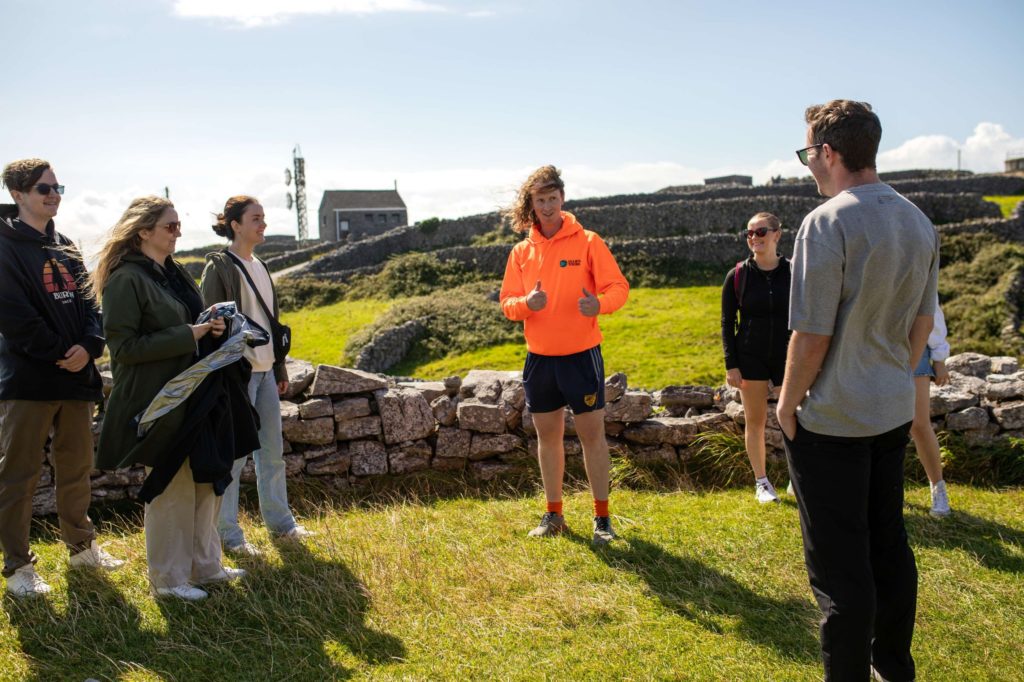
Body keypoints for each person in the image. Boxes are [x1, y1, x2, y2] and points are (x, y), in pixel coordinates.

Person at [777, 100, 939, 681]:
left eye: (808, 154)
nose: (808, 166)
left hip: (834, 418)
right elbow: (922, 327)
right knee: (889, 545)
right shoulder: (917, 221)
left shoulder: (827, 222)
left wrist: (787, 404)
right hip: (891, 408)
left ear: (829, 152)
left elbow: (811, 334)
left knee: (839, 569)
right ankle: (893, 667)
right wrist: (894, 374)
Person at [94, 196, 245, 601]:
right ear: (144, 231)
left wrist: (209, 327)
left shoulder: (171, 272)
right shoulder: (125, 278)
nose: (178, 232)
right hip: (159, 398)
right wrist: (189, 335)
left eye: (179, 225)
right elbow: (123, 348)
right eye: (170, 226)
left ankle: (206, 565)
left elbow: (187, 322)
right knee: (171, 487)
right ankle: (168, 579)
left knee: (204, 478)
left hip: (195, 390)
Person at [0, 158, 124, 597]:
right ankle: (18, 568)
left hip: (75, 380)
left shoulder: (65, 243)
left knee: (76, 468)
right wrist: (60, 353)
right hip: (29, 382)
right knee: (19, 476)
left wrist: (90, 346)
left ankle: (82, 547)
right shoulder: (4, 245)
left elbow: (92, 304)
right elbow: (14, 316)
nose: (53, 195)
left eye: (57, 188)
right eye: (43, 189)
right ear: (18, 194)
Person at [499, 165, 629, 545]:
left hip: (581, 356)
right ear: (532, 204)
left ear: (562, 199)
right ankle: (554, 514)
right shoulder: (521, 252)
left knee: (592, 437)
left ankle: (602, 519)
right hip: (539, 359)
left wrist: (599, 305)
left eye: (553, 198)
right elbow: (507, 304)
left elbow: (618, 287)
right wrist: (528, 303)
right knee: (548, 438)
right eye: (540, 200)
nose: (548, 206)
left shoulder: (588, 241)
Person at [200, 195, 312, 556]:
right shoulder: (220, 267)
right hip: (238, 375)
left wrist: (278, 367)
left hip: (266, 373)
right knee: (233, 456)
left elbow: (271, 321)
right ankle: (229, 535)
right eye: (255, 219)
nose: (263, 224)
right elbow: (210, 323)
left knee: (272, 454)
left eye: (263, 218)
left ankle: (282, 526)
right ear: (235, 225)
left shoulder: (261, 265)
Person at [721, 211, 791, 504]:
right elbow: (727, 322)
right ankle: (762, 483)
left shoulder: (795, 271)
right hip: (750, 357)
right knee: (756, 421)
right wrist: (731, 365)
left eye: (761, 232)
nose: (754, 238)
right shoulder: (737, 275)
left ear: (777, 234)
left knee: (796, 417)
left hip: (790, 356)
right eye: (749, 233)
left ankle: (797, 479)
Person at [911, 302, 951, 517]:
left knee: (919, 424)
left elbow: (930, 307)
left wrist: (939, 359)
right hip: (873, 344)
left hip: (914, 343)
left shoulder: (919, 266)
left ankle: (938, 488)